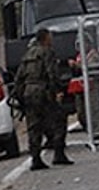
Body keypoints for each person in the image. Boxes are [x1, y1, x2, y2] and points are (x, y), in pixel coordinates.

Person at [13, 28, 72, 169]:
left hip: (29, 92)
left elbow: (19, 78)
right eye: (50, 36)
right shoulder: (47, 52)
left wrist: (21, 96)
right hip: (43, 91)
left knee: (34, 125)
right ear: (45, 38)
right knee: (59, 118)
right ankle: (58, 153)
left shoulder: (27, 55)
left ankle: (35, 158)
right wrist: (58, 91)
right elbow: (52, 73)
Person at [68, 33, 99, 136]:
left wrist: (78, 65)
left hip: (92, 86)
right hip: (81, 88)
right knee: (81, 112)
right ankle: (87, 129)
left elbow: (92, 68)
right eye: (79, 44)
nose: (81, 47)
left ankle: (96, 133)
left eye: (83, 44)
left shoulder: (93, 55)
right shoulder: (79, 57)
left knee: (93, 110)